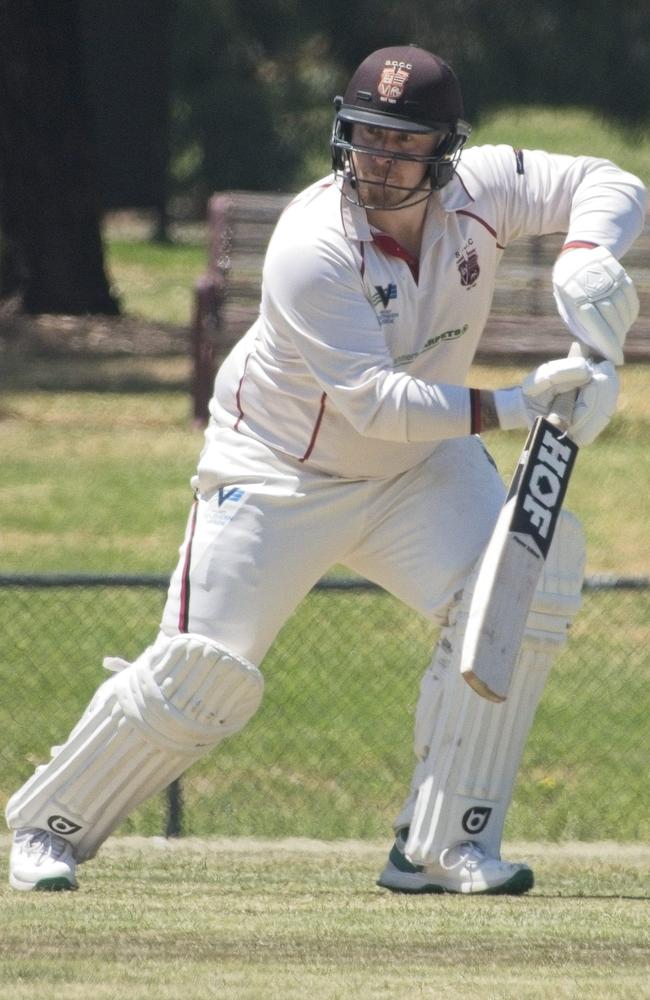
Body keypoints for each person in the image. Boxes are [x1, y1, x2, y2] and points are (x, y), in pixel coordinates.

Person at [6, 44, 645, 894]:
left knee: (526, 584)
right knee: (203, 673)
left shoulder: (485, 189)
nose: (378, 162)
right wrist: (522, 404)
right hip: (278, 469)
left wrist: (584, 255)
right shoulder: (313, 244)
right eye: (364, 138)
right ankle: (47, 825)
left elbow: (611, 181)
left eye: (402, 144)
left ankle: (442, 844)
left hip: (419, 467)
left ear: (444, 152)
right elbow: (374, 403)